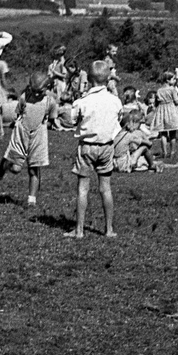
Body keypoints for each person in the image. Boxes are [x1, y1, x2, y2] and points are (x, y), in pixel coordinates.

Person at [68, 59, 121, 238]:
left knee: (83, 188)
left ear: (89, 78)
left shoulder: (82, 101)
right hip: (107, 147)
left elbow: (72, 119)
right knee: (105, 188)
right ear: (108, 78)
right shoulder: (115, 101)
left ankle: (79, 229)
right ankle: (108, 229)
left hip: (87, 147)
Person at [0, 73, 54, 206]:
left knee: (34, 168)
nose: (36, 95)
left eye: (39, 92)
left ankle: (31, 199)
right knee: (16, 169)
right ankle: (6, 164)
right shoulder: (24, 98)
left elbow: (51, 119)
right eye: (32, 91)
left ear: (48, 88)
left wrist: (46, 122)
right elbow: (19, 114)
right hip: (22, 133)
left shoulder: (50, 102)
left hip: (39, 136)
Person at [153, 77, 178, 159]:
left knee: (163, 133)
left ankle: (164, 152)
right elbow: (176, 102)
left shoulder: (159, 90)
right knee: (173, 133)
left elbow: (156, 103)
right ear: (167, 80)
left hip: (161, 111)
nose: (175, 81)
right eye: (173, 79)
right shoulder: (172, 89)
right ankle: (172, 152)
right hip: (171, 111)